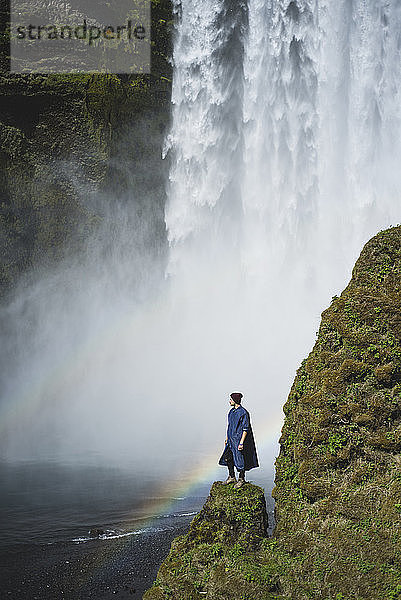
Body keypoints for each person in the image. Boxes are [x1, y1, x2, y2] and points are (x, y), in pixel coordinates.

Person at [218, 392, 259, 489]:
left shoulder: (243, 413)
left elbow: (246, 428)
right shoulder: (231, 412)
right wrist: (227, 439)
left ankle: (241, 479)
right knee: (228, 458)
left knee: (240, 460)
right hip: (231, 441)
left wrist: (241, 442)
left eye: (231, 399)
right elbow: (229, 426)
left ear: (235, 400)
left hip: (238, 440)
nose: (229, 401)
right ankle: (232, 477)